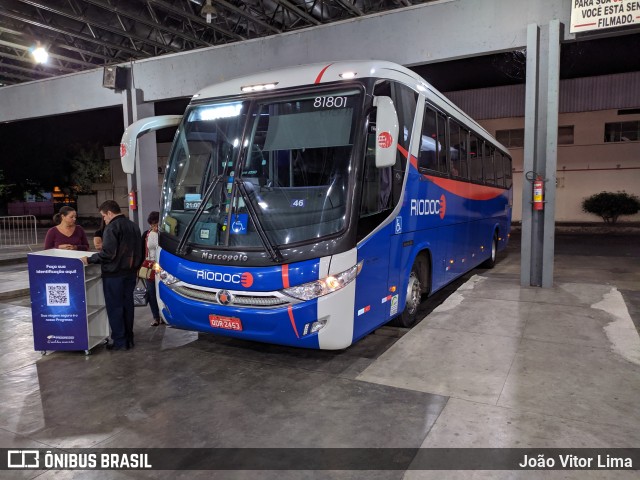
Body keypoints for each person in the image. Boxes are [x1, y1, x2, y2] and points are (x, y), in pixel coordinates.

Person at [82, 200, 143, 351]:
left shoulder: (112, 227)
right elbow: (141, 251)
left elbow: (108, 254)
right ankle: (129, 339)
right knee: (128, 307)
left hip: (114, 275)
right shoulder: (134, 226)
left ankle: (120, 342)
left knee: (115, 308)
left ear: (109, 213)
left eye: (103, 216)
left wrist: (89, 259)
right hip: (130, 274)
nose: (104, 219)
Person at [141, 211, 161, 326]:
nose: (155, 227)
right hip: (150, 266)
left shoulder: (164, 234)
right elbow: (141, 250)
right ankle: (155, 317)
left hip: (162, 265)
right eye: (153, 225)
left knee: (162, 292)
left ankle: (164, 315)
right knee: (151, 292)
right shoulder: (147, 234)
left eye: (157, 224)